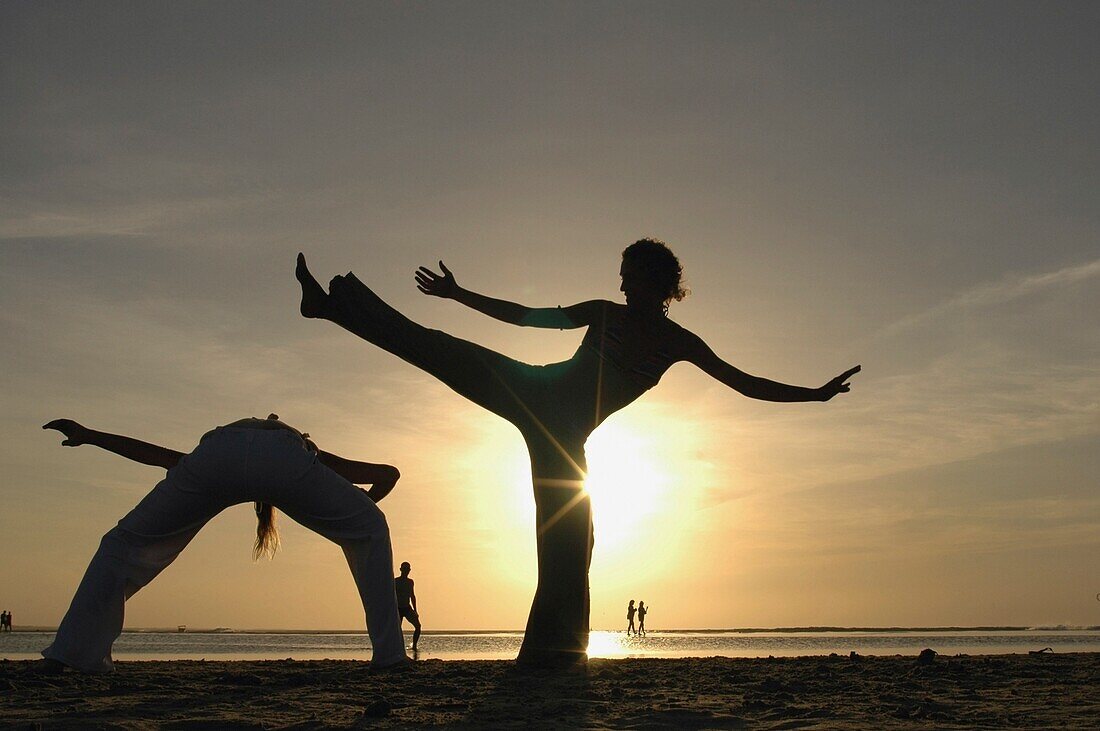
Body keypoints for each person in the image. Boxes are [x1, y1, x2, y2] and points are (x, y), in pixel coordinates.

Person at [296, 238, 859, 666]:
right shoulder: (605, 313)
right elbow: (527, 317)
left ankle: (553, 655)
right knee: (443, 351)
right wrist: (456, 293)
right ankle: (329, 306)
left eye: (630, 276)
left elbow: (744, 382)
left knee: (575, 542)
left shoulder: (679, 343)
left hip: (565, 441)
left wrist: (817, 393)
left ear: (659, 284)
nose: (621, 284)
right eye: (620, 277)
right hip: (533, 391)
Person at [37, 415, 408, 673]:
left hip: (218, 454)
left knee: (123, 544)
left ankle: (69, 654)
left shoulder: (229, 447)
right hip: (285, 460)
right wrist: (351, 510)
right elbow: (387, 474)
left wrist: (91, 435)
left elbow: (155, 456)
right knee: (371, 529)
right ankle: (390, 657)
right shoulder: (305, 453)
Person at [394, 561, 422, 651]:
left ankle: (414, 646)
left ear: (409, 570)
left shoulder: (410, 582)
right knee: (397, 629)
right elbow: (390, 595)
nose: (406, 571)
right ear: (401, 569)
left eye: (407, 569)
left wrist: (415, 610)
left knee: (418, 626)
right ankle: (397, 647)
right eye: (404, 569)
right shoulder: (395, 581)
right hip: (398, 608)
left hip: (407, 607)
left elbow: (412, 595)